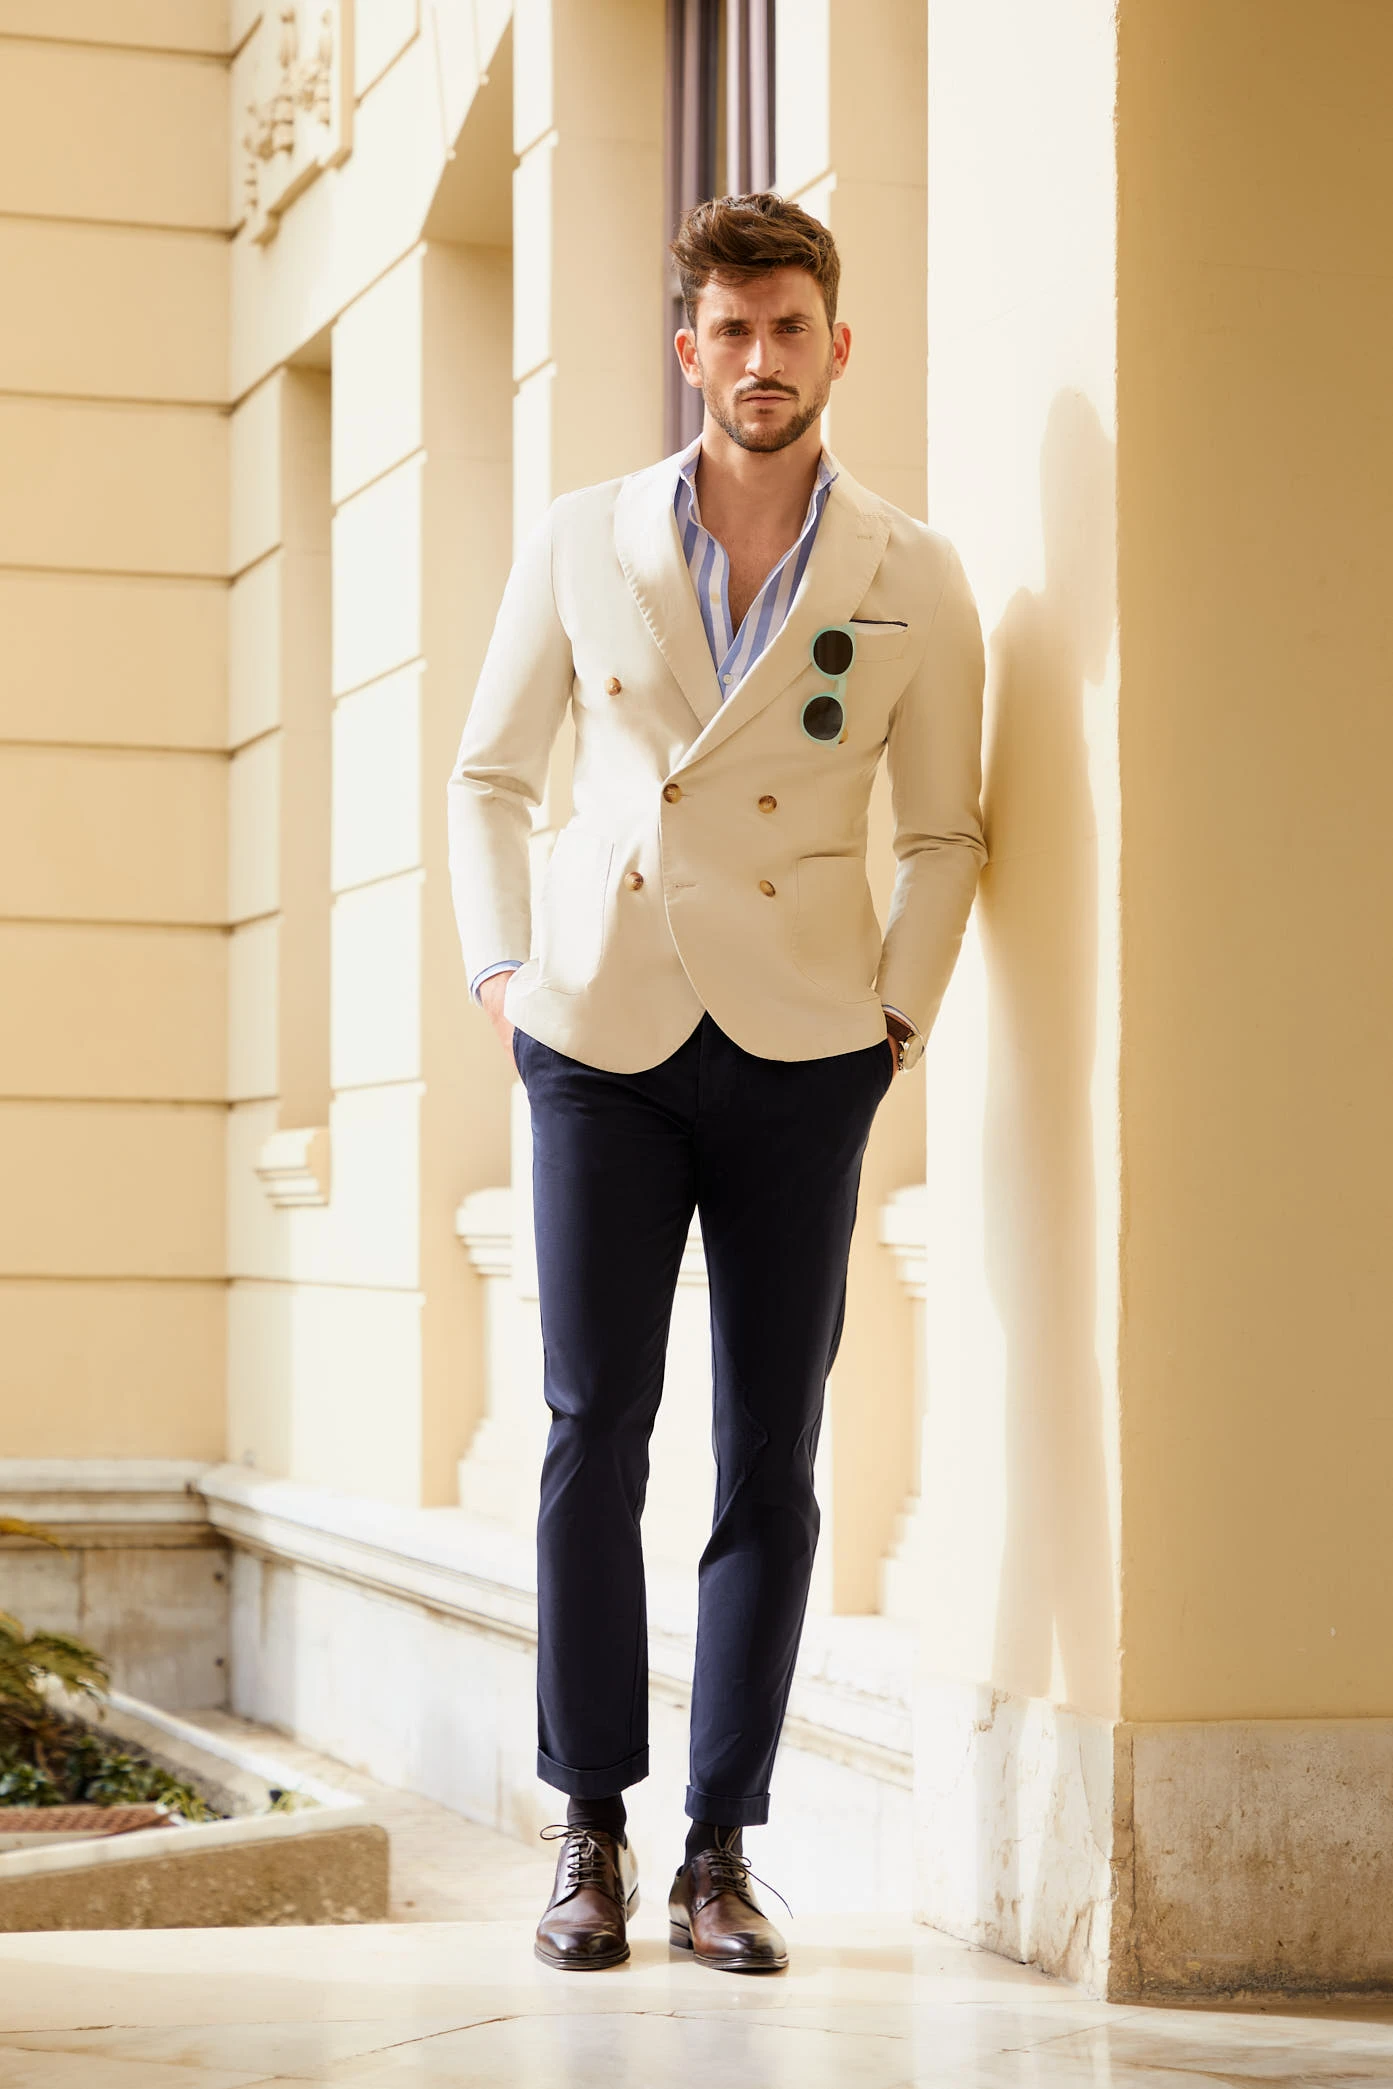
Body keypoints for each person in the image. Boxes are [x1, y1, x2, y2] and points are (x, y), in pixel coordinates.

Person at [447, 191, 986, 1974]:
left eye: (790, 327)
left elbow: (947, 830)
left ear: (840, 345)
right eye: (732, 330)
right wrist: (505, 975)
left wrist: (893, 1024)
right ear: (691, 349)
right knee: (593, 1426)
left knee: (774, 1451)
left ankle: (717, 1854)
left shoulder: (913, 573)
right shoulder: (584, 538)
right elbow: (487, 777)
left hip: (805, 1053)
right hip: (599, 1040)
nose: (762, 358)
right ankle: (588, 1830)